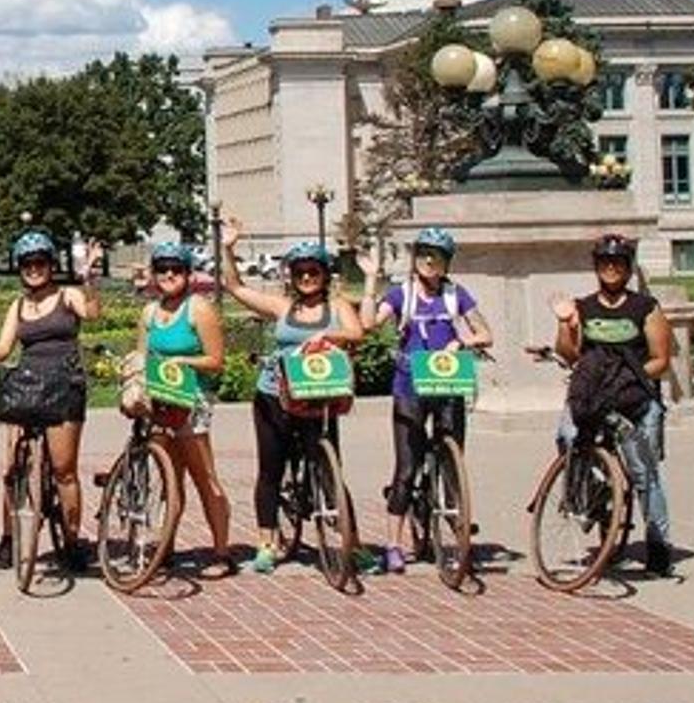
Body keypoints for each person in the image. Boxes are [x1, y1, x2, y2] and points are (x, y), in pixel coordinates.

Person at [218, 216, 366, 574]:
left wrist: (331, 339)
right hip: (276, 395)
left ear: (324, 274)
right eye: (300, 272)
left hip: (319, 394)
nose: (306, 278)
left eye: (313, 271)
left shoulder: (338, 307)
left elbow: (357, 332)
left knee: (331, 469)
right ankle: (267, 541)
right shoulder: (283, 308)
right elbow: (235, 287)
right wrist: (228, 248)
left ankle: (352, 542)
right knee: (271, 468)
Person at [357, 227, 491, 573]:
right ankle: (394, 544)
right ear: (416, 260)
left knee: (451, 458)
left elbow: (485, 332)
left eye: (438, 257)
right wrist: (371, 281)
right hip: (410, 386)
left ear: (447, 263)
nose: (431, 263)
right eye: (424, 256)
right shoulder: (403, 295)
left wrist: (462, 342)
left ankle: (457, 526)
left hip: (447, 384)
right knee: (407, 467)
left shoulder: (455, 294)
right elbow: (368, 324)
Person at [553, 232, 675, 575]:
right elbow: (569, 353)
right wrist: (566, 323)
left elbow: (661, 359)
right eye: (605, 263)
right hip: (592, 396)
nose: (611, 268)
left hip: (634, 398)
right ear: (596, 267)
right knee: (567, 436)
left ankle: (658, 544)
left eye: (618, 263)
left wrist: (628, 377)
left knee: (643, 472)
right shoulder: (584, 306)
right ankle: (590, 498)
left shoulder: (644, 308)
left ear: (628, 267)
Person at [0, 228, 101, 572]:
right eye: (28, 264)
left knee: (64, 470)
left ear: (51, 265)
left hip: (65, 383)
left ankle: (73, 537)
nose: (34, 269)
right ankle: (8, 537)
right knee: (12, 468)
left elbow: (92, 313)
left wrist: (89, 278)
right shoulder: (18, 305)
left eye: (40, 262)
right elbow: (5, 346)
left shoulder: (67, 296)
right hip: (29, 385)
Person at [128, 239, 233, 575]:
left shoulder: (198, 309)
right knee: (168, 476)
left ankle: (221, 552)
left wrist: (183, 360)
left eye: (176, 269)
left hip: (192, 399)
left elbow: (216, 360)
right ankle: (166, 547)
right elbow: (144, 356)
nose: (169, 274)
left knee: (203, 476)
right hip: (160, 399)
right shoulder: (150, 313)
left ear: (188, 274)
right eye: (162, 269)